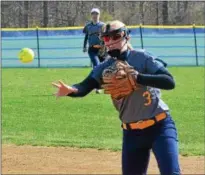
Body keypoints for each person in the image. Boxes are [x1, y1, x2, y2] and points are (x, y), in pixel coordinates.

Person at [52, 20, 181, 175]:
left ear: (127, 37)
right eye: (106, 38)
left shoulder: (142, 57)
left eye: (116, 36)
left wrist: (138, 78)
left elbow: (169, 81)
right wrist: (71, 90)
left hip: (160, 127)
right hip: (131, 134)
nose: (111, 42)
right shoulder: (104, 68)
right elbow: (84, 86)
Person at [83, 8, 105, 94]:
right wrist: (84, 46)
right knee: (97, 65)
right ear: (91, 15)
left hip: (102, 49)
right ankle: (97, 87)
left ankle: (100, 85)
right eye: (93, 14)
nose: (95, 16)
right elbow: (86, 37)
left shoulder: (103, 25)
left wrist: (106, 47)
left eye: (96, 14)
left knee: (102, 68)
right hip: (92, 49)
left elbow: (107, 37)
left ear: (99, 15)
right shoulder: (88, 26)